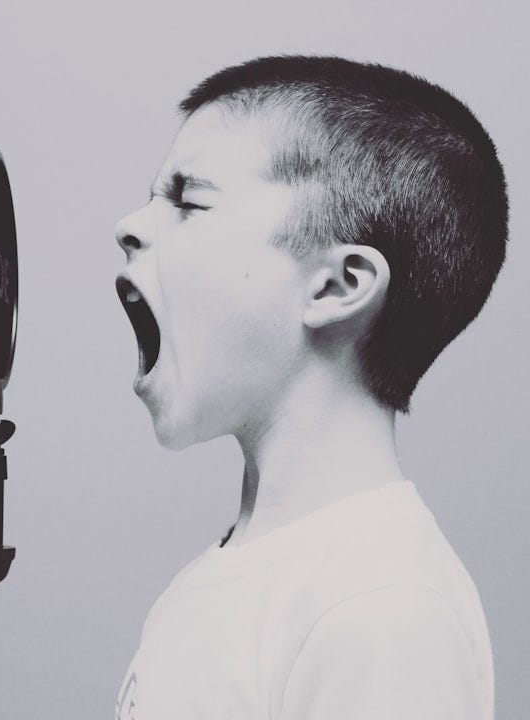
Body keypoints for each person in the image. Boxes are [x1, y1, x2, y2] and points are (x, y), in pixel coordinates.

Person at [113, 56, 507, 720]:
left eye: (187, 198)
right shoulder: (225, 579)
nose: (130, 226)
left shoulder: (381, 609)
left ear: (337, 286)